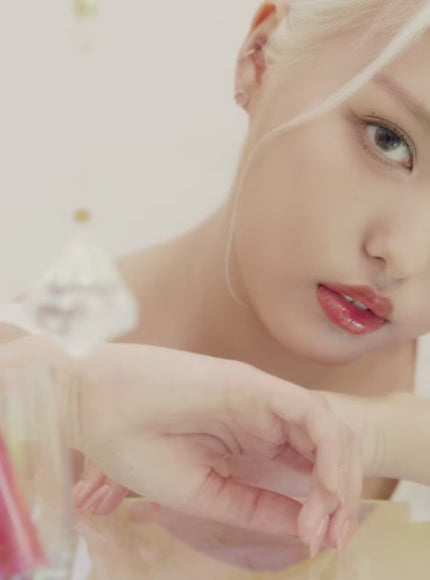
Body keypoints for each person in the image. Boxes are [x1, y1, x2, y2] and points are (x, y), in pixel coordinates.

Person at [4, 0, 430, 573]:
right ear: (262, 54)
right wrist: (66, 402)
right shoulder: (27, 371)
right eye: (387, 139)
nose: (405, 255)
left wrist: (375, 434)